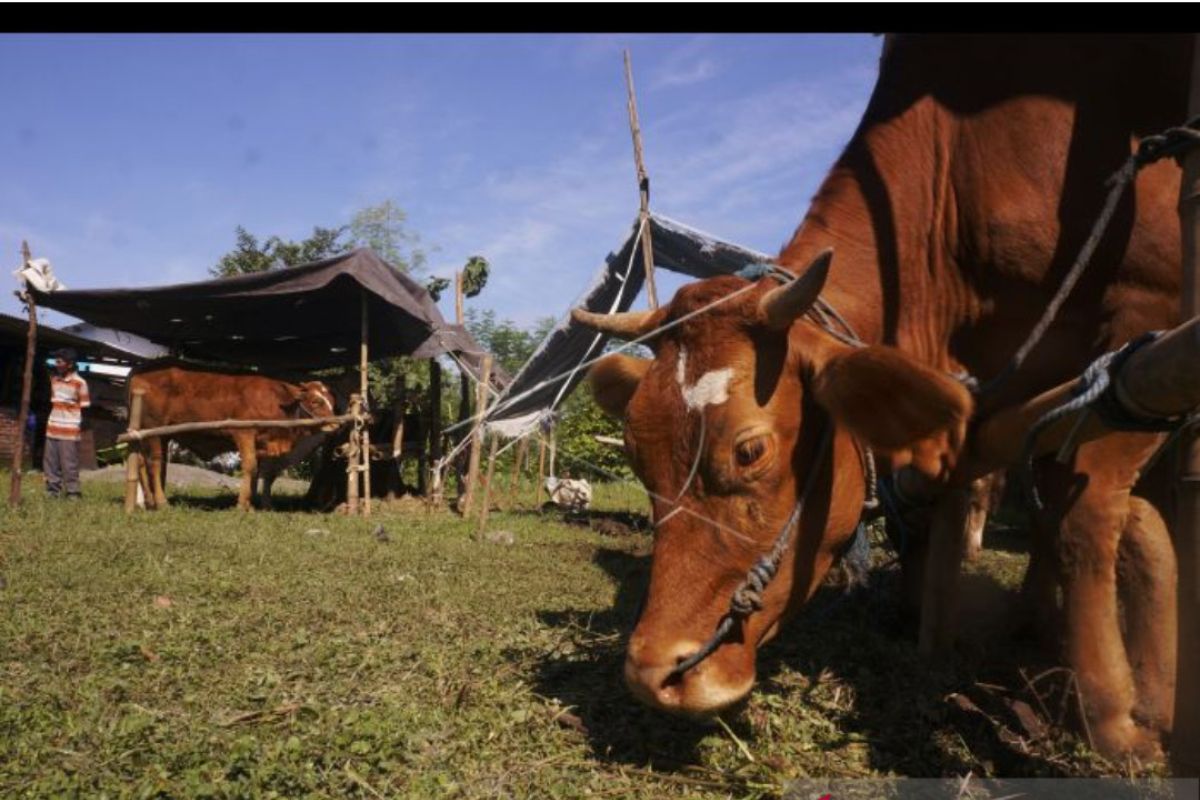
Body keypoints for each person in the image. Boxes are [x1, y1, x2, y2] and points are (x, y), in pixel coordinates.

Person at [43, 347, 90, 499]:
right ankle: (52, 491)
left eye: (59, 361)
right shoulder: (54, 380)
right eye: (55, 361)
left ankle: (73, 492)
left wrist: (76, 425)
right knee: (50, 462)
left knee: (69, 463)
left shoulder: (80, 383)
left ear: (69, 364)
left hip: (69, 429)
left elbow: (84, 406)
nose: (56, 364)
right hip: (52, 427)